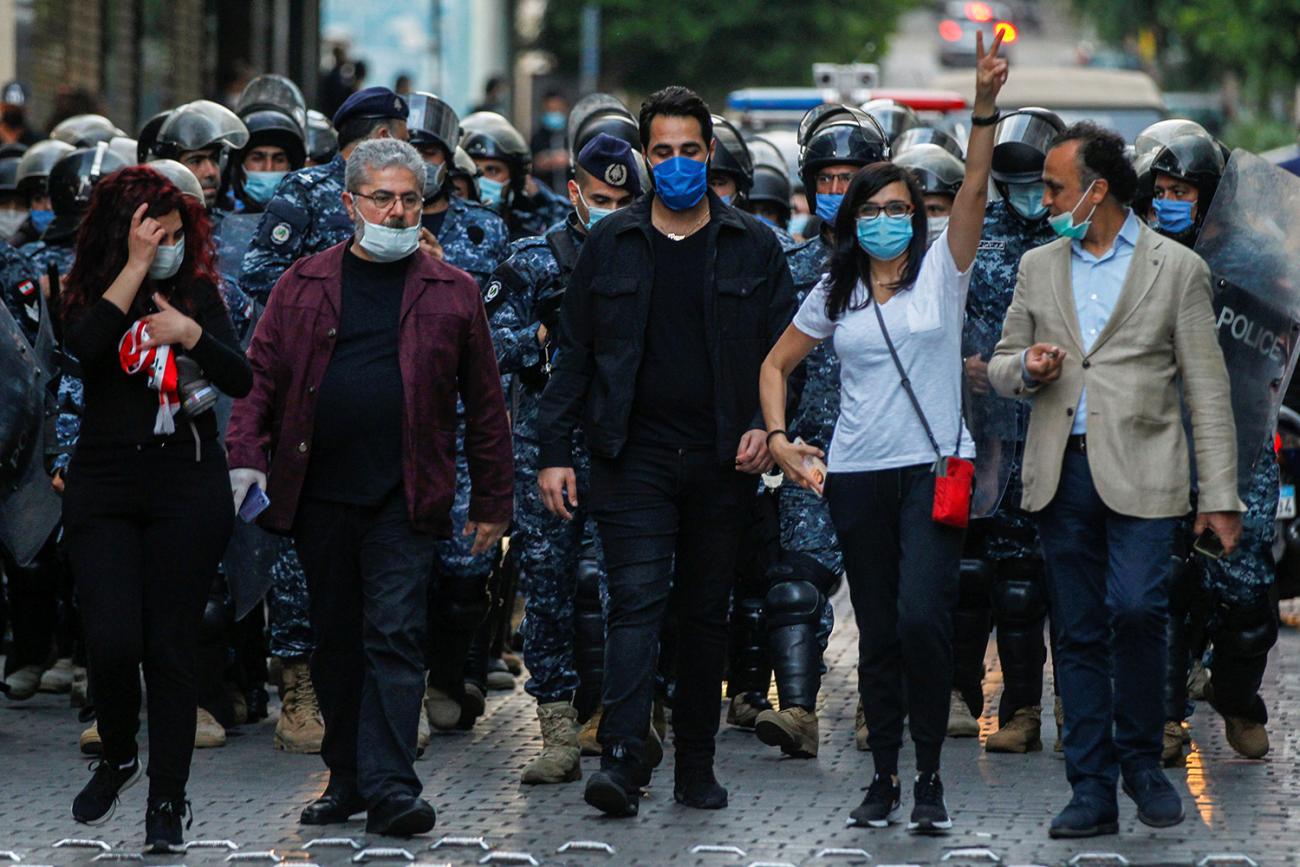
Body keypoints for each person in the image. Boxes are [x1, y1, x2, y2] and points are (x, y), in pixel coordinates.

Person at [226, 138, 513, 836]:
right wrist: (246, 460)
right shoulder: (304, 283)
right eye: (382, 197)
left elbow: (485, 403)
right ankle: (347, 776)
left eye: (410, 198)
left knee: (394, 633)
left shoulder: (453, 290)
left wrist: (494, 502)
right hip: (319, 492)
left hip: (407, 494)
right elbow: (257, 380)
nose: (397, 210)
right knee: (337, 640)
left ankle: (391, 786)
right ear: (351, 203)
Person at [758, 33, 1007, 833]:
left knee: (923, 620)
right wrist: (781, 437)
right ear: (852, 220)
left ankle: (930, 775)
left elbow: (973, 184)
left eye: (902, 209)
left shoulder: (945, 271)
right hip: (858, 474)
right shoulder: (835, 291)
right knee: (877, 629)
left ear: (918, 217)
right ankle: (884, 777)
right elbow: (775, 366)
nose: (889, 221)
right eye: (874, 210)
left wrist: (984, 104)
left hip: (934, 467)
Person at [538, 85, 794, 817]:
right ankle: (622, 758)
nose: (677, 164)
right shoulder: (611, 244)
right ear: (644, 158)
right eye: (662, 152)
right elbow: (577, 356)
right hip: (631, 456)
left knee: (705, 613)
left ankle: (695, 764)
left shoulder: (753, 243)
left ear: (709, 154)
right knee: (635, 606)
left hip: (722, 458)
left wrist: (762, 424)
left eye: (690, 151)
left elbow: (785, 357)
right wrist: (554, 448)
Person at [987, 121, 1242, 838]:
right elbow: (1002, 362)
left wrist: (1219, 496)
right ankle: (1092, 787)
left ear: (1098, 190)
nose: (1045, 201)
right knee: (1075, 631)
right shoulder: (1039, 266)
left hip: (1146, 476)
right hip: (1059, 472)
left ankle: (1141, 761)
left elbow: (1208, 391)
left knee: (1136, 610)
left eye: (1056, 188)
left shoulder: (1176, 269)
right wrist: (1025, 367)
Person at [60, 165, 252, 851]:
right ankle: (117, 752)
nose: (167, 245)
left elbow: (242, 373)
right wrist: (135, 270)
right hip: (105, 483)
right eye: (152, 235)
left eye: (175, 235)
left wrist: (190, 333)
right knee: (112, 638)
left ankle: (167, 802)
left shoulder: (199, 291)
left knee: (171, 646)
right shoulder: (86, 288)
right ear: (123, 233)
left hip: (186, 481)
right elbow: (84, 347)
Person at [235, 87, 409, 754]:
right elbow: (260, 279)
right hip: (309, 400)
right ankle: (299, 686)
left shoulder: (402, 193)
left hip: (384, 400)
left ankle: (381, 699)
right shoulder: (308, 194)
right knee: (300, 564)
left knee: (384, 566)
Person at [490, 132, 640, 785]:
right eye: (597, 198)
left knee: (622, 588)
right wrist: (541, 333)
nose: (607, 209)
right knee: (547, 590)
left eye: (621, 200)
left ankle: (621, 719)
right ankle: (555, 728)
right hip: (543, 449)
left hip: (624, 445)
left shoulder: (649, 257)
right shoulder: (530, 260)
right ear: (574, 192)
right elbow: (488, 348)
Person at [739, 105, 888, 756]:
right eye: (824, 180)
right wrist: (768, 432)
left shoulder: (911, 269)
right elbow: (763, 362)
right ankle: (797, 710)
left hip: (891, 456)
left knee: (890, 593)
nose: (837, 193)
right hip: (810, 454)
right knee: (795, 583)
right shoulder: (788, 265)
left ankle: (879, 712)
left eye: (849, 178)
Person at [1148, 131, 1277, 764]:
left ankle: (1238, 700)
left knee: (1247, 595)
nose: (1170, 202)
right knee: (1169, 583)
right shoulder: (1134, 256)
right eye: (1161, 192)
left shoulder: (1255, 258)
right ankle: (1166, 720)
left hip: (1239, 443)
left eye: (1183, 192)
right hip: (1158, 440)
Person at [956, 107, 1065, 751]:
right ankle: (986, 703)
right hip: (988, 441)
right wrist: (964, 366)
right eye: (1012, 182)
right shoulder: (979, 232)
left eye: (1038, 183)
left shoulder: (1079, 234)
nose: (1027, 195)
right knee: (987, 582)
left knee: (1049, 585)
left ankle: (1050, 710)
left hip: (1061, 437)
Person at [405, 90, 513, 737]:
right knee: (400, 569)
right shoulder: (373, 228)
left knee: (465, 569)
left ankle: (450, 673)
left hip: (465, 422)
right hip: (398, 426)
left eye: (429, 152)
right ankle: (408, 688)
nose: (419, 165)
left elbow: (500, 332)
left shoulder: (484, 231)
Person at [461, 111, 571, 240]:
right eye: (472, 169)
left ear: (515, 179)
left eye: (492, 170)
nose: (480, 180)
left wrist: (541, 196)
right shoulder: (445, 234)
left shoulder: (529, 236)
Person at [531, 89, 570, 193]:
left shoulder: (572, 136)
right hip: (545, 194)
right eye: (550, 110)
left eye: (557, 109)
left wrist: (569, 159)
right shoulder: (537, 137)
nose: (554, 114)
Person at [0, 82, 39, 146]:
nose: (13, 111)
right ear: (1, 107)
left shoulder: (37, 140)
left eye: (17, 109)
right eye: (9, 108)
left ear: (27, 109)